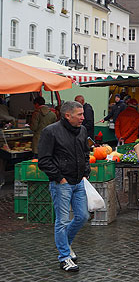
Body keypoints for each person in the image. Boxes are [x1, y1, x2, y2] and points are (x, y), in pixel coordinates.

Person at [37, 101, 90, 272]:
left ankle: (65, 244)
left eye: (83, 114)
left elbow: (85, 152)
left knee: (82, 216)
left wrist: (85, 171)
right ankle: (64, 257)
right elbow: (44, 160)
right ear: (68, 115)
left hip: (78, 181)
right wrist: (60, 178)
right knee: (62, 220)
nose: (83, 117)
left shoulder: (82, 130)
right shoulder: (50, 132)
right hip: (62, 184)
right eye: (79, 114)